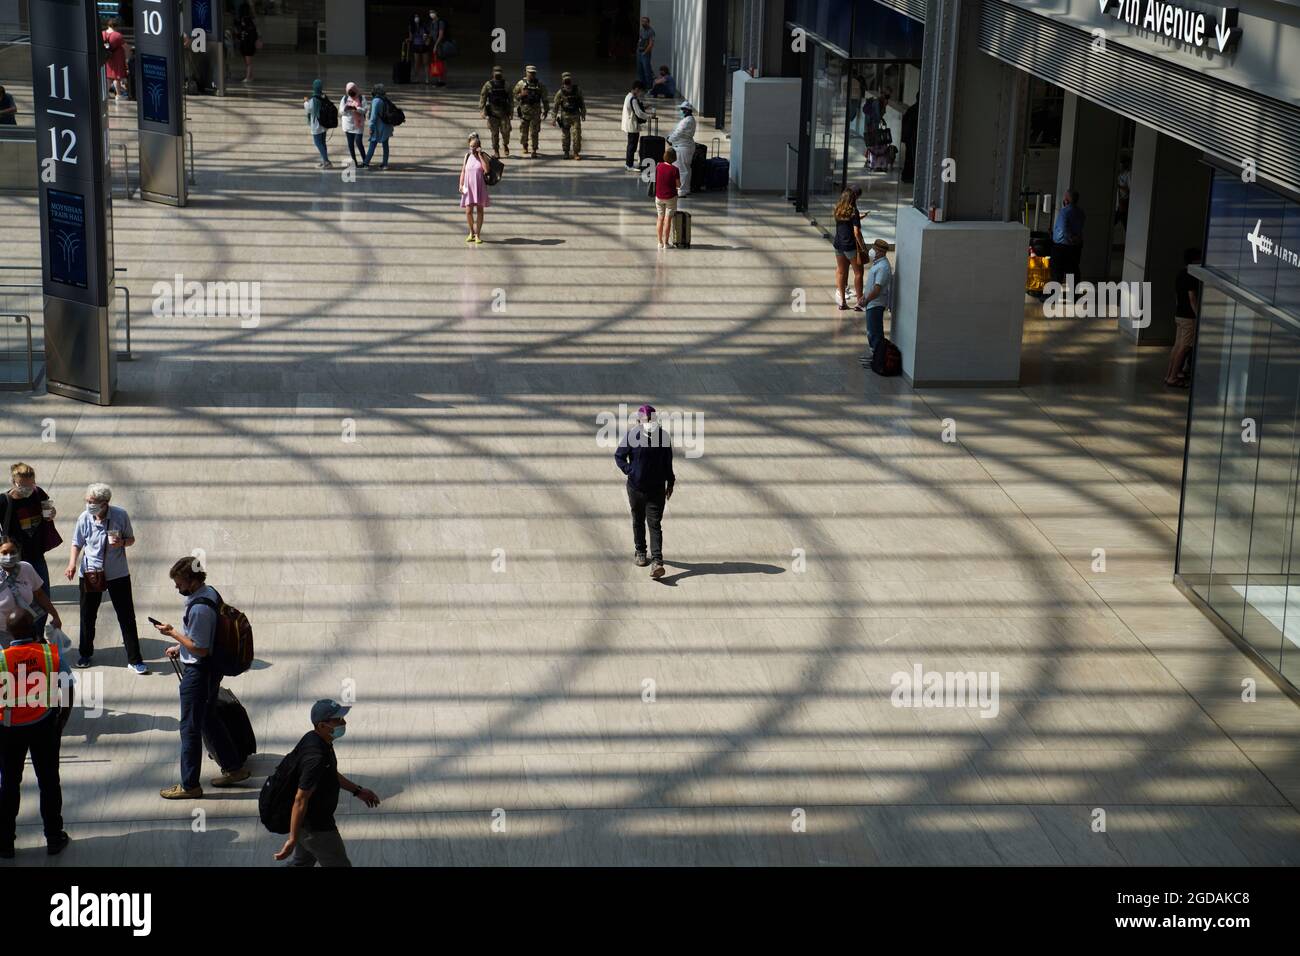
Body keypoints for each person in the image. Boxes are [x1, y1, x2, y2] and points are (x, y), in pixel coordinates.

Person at [153, 557, 250, 799]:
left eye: (180, 583)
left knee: (189, 728)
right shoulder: (210, 593)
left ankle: (190, 785)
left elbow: (201, 648)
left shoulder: (199, 608)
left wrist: (173, 633)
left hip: (199, 672)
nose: (177, 588)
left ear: (192, 580)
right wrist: (181, 648)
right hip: (211, 668)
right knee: (208, 717)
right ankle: (234, 767)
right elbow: (204, 639)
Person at [272, 699, 381, 867]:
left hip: (306, 826)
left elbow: (329, 773)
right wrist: (292, 839)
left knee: (302, 862)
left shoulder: (315, 739)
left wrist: (357, 791)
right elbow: (300, 799)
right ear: (322, 725)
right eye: (337, 720)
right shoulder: (316, 757)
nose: (343, 722)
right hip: (317, 828)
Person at [0, 609, 71, 859]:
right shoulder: (50, 654)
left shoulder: (1, 659)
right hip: (44, 727)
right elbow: (69, 687)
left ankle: (5, 842)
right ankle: (54, 837)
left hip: (8, 731)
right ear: (33, 630)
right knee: (49, 782)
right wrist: (62, 719)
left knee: (8, 785)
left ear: (8, 633)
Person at [64, 483, 143, 673]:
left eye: (93, 502)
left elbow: (131, 539)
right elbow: (77, 543)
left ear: (105, 503)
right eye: (87, 501)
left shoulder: (120, 515)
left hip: (117, 574)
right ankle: (85, 654)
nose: (89, 505)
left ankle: (135, 659)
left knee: (126, 616)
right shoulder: (84, 518)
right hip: (91, 573)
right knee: (87, 615)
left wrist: (122, 542)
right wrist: (72, 563)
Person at [616, 405, 675, 580]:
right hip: (635, 489)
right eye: (645, 420)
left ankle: (657, 562)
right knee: (638, 521)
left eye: (651, 420)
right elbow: (619, 456)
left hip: (656, 490)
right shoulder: (633, 436)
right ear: (638, 421)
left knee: (654, 524)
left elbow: (668, 462)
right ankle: (640, 551)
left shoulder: (663, 437)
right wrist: (629, 470)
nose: (648, 423)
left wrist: (670, 482)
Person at [2, 462, 60, 593]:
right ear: (14, 482)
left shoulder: (38, 493)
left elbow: (49, 509)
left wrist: (52, 513)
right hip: (15, 556)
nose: (28, 489)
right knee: (22, 595)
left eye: (31, 484)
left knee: (44, 592)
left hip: (37, 552)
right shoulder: (4, 501)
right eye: (23, 486)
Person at [0, 541, 61, 644]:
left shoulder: (26, 568)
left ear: (18, 553)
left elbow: (40, 594)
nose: (9, 556)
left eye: (12, 552)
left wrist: (55, 616)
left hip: (27, 632)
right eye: (4, 553)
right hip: (2, 635)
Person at [1165, 248, 1202, 388]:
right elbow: (1192, 298)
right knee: (1185, 347)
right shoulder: (1191, 276)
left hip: (1179, 314)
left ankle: (1170, 374)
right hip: (1188, 317)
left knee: (1177, 346)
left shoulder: (1181, 273)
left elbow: (1177, 295)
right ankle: (1173, 377)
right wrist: (1198, 316)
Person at [832, 186, 867, 311]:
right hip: (851, 246)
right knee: (858, 273)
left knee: (841, 272)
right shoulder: (853, 211)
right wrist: (863, 247)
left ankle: (842, 302)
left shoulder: (837, 209)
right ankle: (859, 302)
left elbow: (845, 222)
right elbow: (856, 232)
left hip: (838, 245)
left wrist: (858, 218)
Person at [860, 238, 893, 363]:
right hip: (871, 303)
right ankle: (874, 355)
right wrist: (864, 295)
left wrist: (866, 300)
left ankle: (877, 358)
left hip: (875, 304)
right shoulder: (878, 264)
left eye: (874, 249)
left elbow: (877, 289)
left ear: (880, 252)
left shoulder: (883, 267)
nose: (871, 251)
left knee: (875, 332)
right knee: (872, 331)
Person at [459, 133, 490, 244]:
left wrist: (480, 156)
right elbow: (463, 171)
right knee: (468, 211)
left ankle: (478, 234)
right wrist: (460, 184)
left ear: (479, 146)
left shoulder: (483, 156)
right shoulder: (467, 156)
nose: (472, 148)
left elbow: (486, 170)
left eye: (475, 146)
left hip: (479, 186)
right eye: (471, 146)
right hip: (468, 187)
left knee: (480, 210)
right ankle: (471, 232)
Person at [1050, 188, 1085, 283]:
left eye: (1065, 197)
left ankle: (1053, 296)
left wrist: (1071, 238)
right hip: (1075, 248)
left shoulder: (1064, 212)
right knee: (1073, 273)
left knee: (1057, 274)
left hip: (1061, 248)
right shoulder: (1081, 212)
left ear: (1066, 200)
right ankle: (1074, 296)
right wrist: (1075, 239)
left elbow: (1063, 229)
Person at [513, 66, 548, 158]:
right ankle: (525, 145)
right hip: (524, 112)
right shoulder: (521, 84)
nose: (532, 75)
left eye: (533, 73)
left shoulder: (540, 85)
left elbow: (545, 98)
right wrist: (521, 95)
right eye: (530, 73)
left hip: (536, 112)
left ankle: (534, 149)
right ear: (526, 73)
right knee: (524, 132)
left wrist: (546, 110)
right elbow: (514, 95)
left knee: (534, 132)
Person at [552, 72, 587, 160]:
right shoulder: (560, 93)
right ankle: (566, 152)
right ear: (563, 81)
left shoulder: (577, 90)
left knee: (577, 135)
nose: (567, 82)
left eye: (568, 80)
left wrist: (583, 113)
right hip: (565, 116)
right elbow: (555, 106)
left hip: (575, 115)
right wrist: (553, 118)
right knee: (565, 136)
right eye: (565, 81)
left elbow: (582, 102)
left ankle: (576, 152)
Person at [479, 66, 513, 157]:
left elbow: (511, 100)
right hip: (493, 114)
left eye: (499, 72)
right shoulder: (488, 85)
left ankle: (505, 145)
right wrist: (482, 110)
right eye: (496, 72)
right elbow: (483, 97)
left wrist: (511, 112)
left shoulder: (506, 84)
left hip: (504, 113)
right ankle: (496, 151)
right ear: (492, 73)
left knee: (506, 132)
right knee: (494, 134)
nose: (497, 74)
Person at [622, 80, 654, 170]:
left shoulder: (628, 96)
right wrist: (649, 116)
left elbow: (633, 109)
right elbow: (639, 113)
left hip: (629, 124)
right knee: (632, 146)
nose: (640, 93)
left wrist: (645, 107)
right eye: (640, 91)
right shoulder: (633, 99)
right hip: (632, 125)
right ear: (636, 89)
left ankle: (629, 163)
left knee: (630, 145)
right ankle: (629, 165)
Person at [655, 146, 681, 250]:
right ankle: (666, 243)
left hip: (659, 196)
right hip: (670, 197)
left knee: (660, 218)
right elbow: (678, 185)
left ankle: (659, 242)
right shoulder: (675, 170)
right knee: (668, 220)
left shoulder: (659, 166)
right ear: (674, 157)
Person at [668, 101, 697, 196]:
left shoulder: (687, 121)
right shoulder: (688, 119)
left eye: (682, 109)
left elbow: (679, 133)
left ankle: (682, 191)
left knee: (682, 170)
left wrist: (670, 139)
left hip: (683, 148)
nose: (681, 111)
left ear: (687, 110)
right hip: (684, 146)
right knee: (686, 169)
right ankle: (685, 189)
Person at [364, 83, 393, 170]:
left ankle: (366, 163)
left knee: (372, 144)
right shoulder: (385, 99)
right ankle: (385, 164)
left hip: (378, 128)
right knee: (385, 145)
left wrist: (371, 127)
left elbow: (373, 117)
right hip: (387, 126)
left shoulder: (376, 101)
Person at [304, 79, 332, 169]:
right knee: (323, 144)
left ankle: (327, 162)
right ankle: (324, 160)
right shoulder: (323, 97)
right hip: (324, 126)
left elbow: (308, 109)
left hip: (317, 127)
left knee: (318, 143)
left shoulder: (313, 100)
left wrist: (305, 102)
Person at [340, 82, 367, 168]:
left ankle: (365, 161)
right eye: (350, 93)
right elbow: (340, 112)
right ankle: (354, 162)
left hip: (358, 124)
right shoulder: (344, 98)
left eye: (353, 93)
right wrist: (345, 108)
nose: (352, 95)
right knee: (350, 144)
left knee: (359, 142)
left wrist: (357, 109)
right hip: (348, 124)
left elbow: (365, 110)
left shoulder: (361, 98)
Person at [102, 18, 129, 99]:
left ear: (108, 25)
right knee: (117, 76)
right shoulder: (117, 35)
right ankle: (119, 94)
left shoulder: (102, 33)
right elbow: (126, 47)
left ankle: (105, 93)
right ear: (116, 26)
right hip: (117, 58)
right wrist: (128, 57)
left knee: (109, 76)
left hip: (108, 57)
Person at [235, 3, 258, 84]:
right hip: (246, 44)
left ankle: (248, 77)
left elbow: (250, 33)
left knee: (248, 62)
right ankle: (250, 76)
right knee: (248, 62)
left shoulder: (245, 20)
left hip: (247, 44)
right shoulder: (247, 20)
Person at [408, 14, 430, 87]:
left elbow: (427, 35)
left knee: (425, 62)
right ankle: (416, 78)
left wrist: (426, 37)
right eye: (415, 17)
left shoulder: (424, 25)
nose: (416, 18)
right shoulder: (411, 27)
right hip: (416, 45)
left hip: (424, 45)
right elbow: (411, 37)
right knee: (417, 62)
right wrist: (408, 40)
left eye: (418, 17)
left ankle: (427, 78)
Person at [428, 9, 448, 88]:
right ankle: (439, 80)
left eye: (432, 12)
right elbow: (431, 33)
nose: (431, 14)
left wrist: (436, 45)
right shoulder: (432, 23)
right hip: (434, 44)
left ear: (436, 13)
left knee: (441, 62)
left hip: (440, 45)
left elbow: (441, 35)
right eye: (430, 13)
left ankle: (442, 80)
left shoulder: (440, 22)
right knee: (437, 61)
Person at [900, 100, 919, 183]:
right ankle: (910, 176)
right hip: (912, 139)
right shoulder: (917, 110)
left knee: (909, 157)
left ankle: (907, 176)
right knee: (912, 157)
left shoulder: (912, 109)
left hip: (909, 138)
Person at [637, 16, 656, 90]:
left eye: (645, 22)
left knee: (647, 70)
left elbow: (651, 44)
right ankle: (643, 86)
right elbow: (640, 39)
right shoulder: (641, 30)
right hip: (639, 51)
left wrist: (645, 52)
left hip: (645, 53)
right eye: (642, 21)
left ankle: (649, 87)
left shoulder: (651, 31)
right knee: (640, 70)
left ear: (648, 22)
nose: (643, 23)